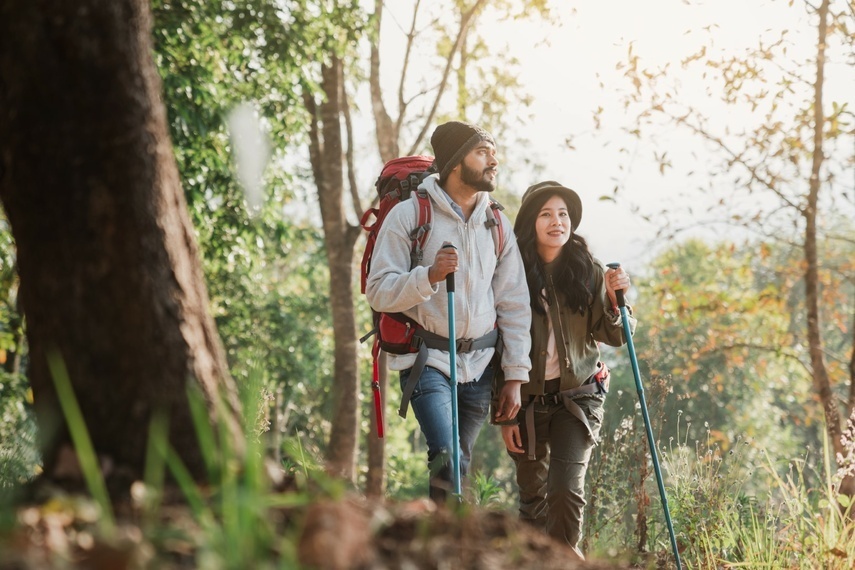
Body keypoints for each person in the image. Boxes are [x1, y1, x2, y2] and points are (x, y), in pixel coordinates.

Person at [366, 121, 532, 503]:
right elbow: (378, 291)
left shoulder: (497, 223)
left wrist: (515, 376)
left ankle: (446, 542)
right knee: (446, 455)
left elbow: (513, 302)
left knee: (459, 461)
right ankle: (446, 547)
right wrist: (431, 276)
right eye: (482, 152)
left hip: (480, 362)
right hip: (429, 360)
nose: (493, 160)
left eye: (492, 151)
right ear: (456, 163)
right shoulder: (409, 216)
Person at [494, 180, 635, 557]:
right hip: (525, 404)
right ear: (531, 222)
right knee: (532, 502)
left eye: (563, 214)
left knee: (565, 492)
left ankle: (564, 560)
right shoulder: (512, 270)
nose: (557, 222)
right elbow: (496, 344)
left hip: (578, 399)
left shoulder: (587, 269)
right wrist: (505, 415)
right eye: (546, 214)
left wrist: (617, 299)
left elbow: (616, 335)